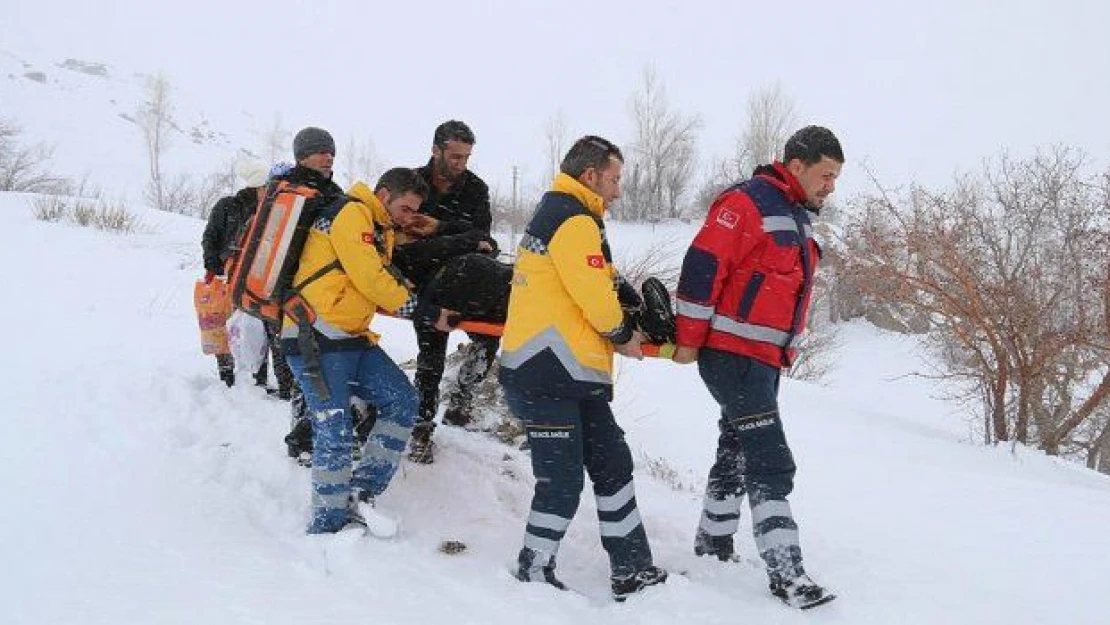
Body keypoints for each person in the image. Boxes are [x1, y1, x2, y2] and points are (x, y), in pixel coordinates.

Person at [671, 125, 843, 609]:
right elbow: (702, 268)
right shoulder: (745, 204)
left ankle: (713, 542)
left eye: (835, 178)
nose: (830, 186)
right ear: (796, 166)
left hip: (762, 359)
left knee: (736, 448)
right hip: (732, 355)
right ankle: (787, 574)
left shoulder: (794, 212)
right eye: (826, 175)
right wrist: (688, 340)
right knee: (770, 458)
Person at [499, 135, 667, 601]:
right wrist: (622, 332)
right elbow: (593, 296)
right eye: (613, 180)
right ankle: (533, 573)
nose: (617, 190)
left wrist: (630, 299)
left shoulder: (567, 214)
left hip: (570, 374)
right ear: (590, 175)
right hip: (546, 371)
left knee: (613, 463)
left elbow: (598, 277)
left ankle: (632, 569)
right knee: (563, 480)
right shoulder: (572, 219)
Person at [277, 126, 457, 534]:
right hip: (315, 337)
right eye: (406, 208)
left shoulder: (380, 229)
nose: (409, 217)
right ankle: (326, 525)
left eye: (414, 211)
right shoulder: (351, 214)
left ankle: (362, 493)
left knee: (402, 401)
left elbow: (384, 276)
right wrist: (425, 313)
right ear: (384, 195)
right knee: (334, 429)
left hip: (350, 338)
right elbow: (371, 278)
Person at [395, 120, 500, 464]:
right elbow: (399, 242)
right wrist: (463, 239)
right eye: (454, 156)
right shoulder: (410, 183)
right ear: (435, 150)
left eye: (466, 158)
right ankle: (422, 428)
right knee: (431, 355)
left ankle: (462, 397)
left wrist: (440, 229)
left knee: (490, 339)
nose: (460, 164)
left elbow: (484, 242)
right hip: (422, 281)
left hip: (466, 278)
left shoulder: (475, 189)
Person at [201, 158, 296, 399]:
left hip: (261, 283)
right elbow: (210, 238)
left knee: (267, 333)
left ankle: (268, 382)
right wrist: (214, 266)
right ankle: (229, 377)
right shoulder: (228, 206)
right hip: (230, 278)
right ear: (258, 187)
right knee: (229, 328)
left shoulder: (275, 209)